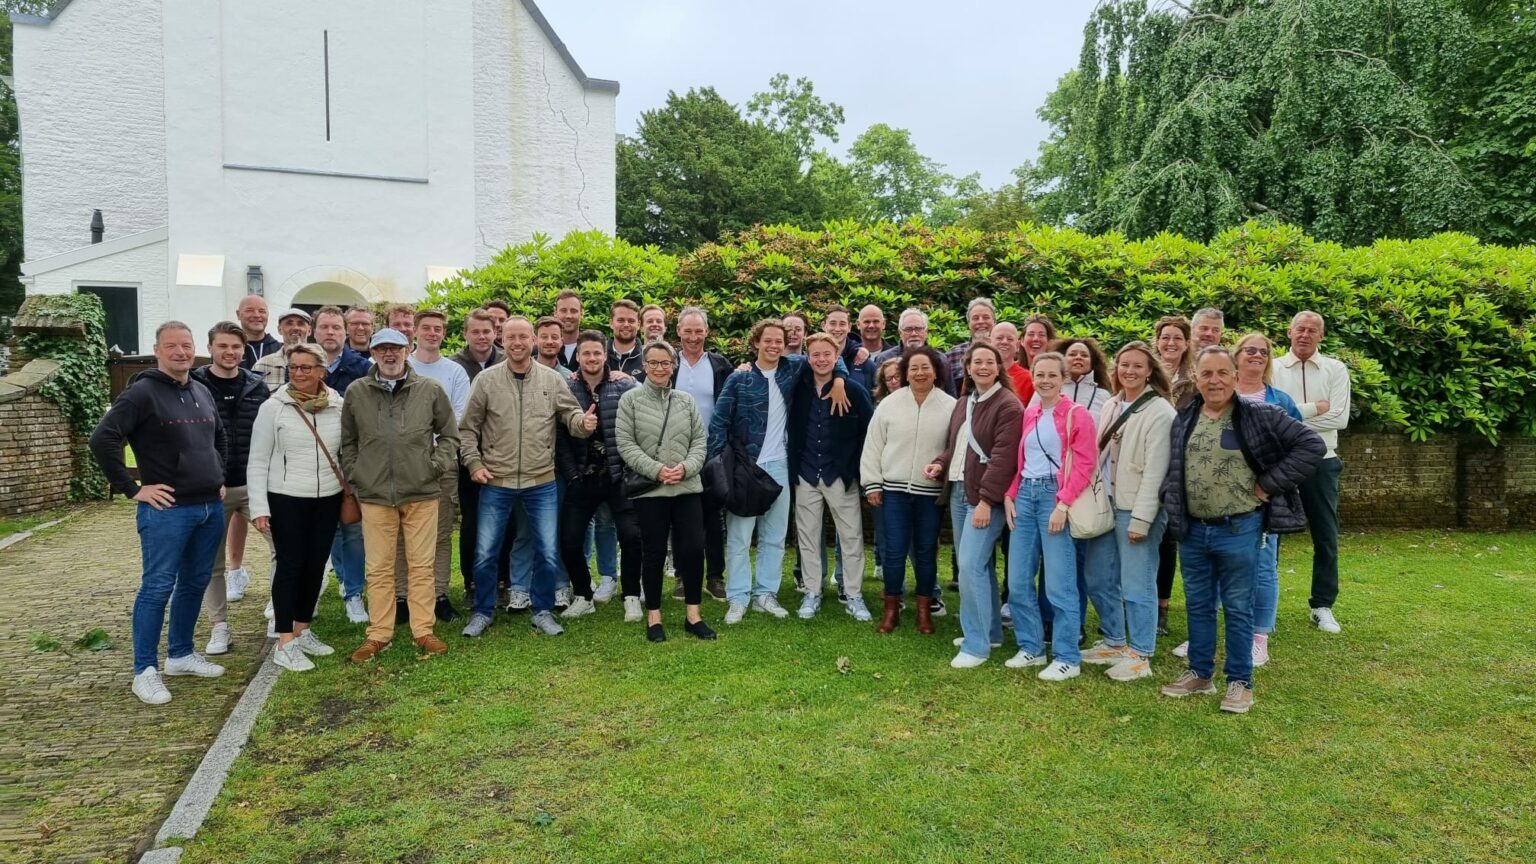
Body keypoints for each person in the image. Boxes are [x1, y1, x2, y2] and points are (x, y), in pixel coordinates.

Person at [1160, 347, 1323, 713]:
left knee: (1236, 607)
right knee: (1199, 605)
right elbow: (1174, 465)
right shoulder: (1185, 416)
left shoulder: (1259, 415)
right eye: (1206, 374)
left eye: (1222, 373)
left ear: (1235, 376)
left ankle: (1239, 682)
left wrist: (1269, 484)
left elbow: (1309, 445)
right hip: (1193, 530)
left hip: (1239, 527)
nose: (1214, 380)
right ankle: (1200, 674)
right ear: (1197, 379)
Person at [90, 321, 229, 705]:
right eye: (173, 346)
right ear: (158, 350)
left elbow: (218, 435)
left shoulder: (201, 389)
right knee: (157, 587)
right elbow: (102, 439)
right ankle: (144, 670)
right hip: (167, 510)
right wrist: (133, 488)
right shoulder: (141, 394)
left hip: (208, 506)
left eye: (186, 345)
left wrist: (219, 474)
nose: (181, 352)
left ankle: (181, 655)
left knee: (194, 583)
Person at [459, 317, 597, 639]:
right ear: (500, 340)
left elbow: (570, 415)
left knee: (548, 550)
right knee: (486, 552)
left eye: (523, 336)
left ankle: (543, 611)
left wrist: (583, 424)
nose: (517, 342)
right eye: (510, 337)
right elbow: (468, 429)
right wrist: (474, 463)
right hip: (496, 481)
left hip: (541, 481)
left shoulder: (550, 379)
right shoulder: (486, 381)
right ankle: (482, 612)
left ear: (533, 340)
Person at [710, 318, 848, 624]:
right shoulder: (739, 378)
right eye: (768, 340)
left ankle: (765, 594)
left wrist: (839, 380)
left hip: (781, 465)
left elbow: (828, 359)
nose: (774, 346)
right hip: (746, 466)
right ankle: (737, 596)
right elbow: (718, 423)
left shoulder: (794, 368)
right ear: (756, 342)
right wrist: (719, 464)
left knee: (774, 536)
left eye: (779, 341)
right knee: (740, 536)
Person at [340, 328, 459, 662]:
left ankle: (423, 630)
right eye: (382, 350)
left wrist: (434, 466)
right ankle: (379, 634)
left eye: (395, 349)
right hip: (375, 494)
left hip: (421, 491)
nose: (389, 355)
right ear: (373, 354)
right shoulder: (357, 392)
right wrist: (355, 472)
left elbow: (449, 435)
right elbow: (348, 441)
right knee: (379, 567)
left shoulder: (430, 389)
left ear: (407, 350)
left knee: (421, 565)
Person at [1079, 341, 1176, 681]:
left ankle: (1141, 654)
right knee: (1098, 577)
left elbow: (1156, 471)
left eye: (1137, 366)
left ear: (1150, 370)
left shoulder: (1160, 412)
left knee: (1137, 585)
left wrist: (1142, 519)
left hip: (1136, 509)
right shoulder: (1113, 403)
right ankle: (1115, 641)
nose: (1130, 371)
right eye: (1124, 365)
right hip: (1107, 503)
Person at [246, 344, 345, 672]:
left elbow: (344, 451)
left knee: (316, 564)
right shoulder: (273, 408)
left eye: (307, 367)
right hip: (286, 497)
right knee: (289, 565)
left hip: (328, 497)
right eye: (294, 367)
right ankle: (284, 640)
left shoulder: (337, 405)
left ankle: (302, 629)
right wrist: (259, 507)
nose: (299, 373)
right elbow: (257, 460)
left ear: (321, 370)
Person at [1001, 351, 1097, 681]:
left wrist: (1063, 504)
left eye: (1052, 375)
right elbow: (1022, 459)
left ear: (1063, 378)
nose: (1044, 380)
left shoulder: (1077, 414)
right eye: (1039, 374)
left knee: (1059, 584)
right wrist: (1011, 494)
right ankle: (1031, 647)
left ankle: (1067, 656)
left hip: (1054, 500)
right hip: (1025, 496)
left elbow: (1085, 464)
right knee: (1017, 581)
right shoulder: (1030, 413)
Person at [617, 340, 717, 642]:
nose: (660, 369)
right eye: (654, 363)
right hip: (652, 491)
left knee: (691, 550)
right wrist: (657, 470)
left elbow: (701, 441)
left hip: (687, 487)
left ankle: (693, 615)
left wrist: (685, 468)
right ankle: (654, 616)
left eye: (665, 363)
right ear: (645, 366)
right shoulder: (631, 400)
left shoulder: (685, 401)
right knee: (654, 552)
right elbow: (626, 444)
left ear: (673, 366)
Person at [190, 322, 277, 656]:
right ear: (210, 348)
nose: (230, 353)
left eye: (236, 347)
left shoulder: (257, 385)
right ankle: (219, 627)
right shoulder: (194, 385)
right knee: (212, 562)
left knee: (283, 548)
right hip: (214, 488)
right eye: (223, 346)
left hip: (256, 484)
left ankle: (278, 610)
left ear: (244, 351)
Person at [933, 343, 1022, 667]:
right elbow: (955, 446)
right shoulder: (964, 402)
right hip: (958, 490)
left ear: (999, 367)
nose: (983, 367)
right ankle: (992, 633)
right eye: (976, 362)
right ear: (967, 368)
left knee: (969, 567)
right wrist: (940, 464)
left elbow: (1003, 459)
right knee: (979, 567)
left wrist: (986, 501)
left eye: (989, 362)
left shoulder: (1008, 405)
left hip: (983, 498)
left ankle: (976, 646)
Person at [859, 345, 956, 634]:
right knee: (894, 551)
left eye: (925, 367)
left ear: (936, 371)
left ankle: (924, 612)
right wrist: (872, 484)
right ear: (905, 373)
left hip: (929, 494)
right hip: (894, 492)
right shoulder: (889, 405)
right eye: (913, 368)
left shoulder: (949, 406)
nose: (919, 372)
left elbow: (954, 448)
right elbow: (873, 446)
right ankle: (891, 611)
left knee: (926, 552)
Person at [1271, 311, 1351, 634]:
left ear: (1321, 335)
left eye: (1312, 330)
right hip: (1280, 459)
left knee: (1326, 534)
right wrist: (1311, 409)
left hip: (1322, 458)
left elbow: (1339, 418)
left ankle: (1322, 606)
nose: (1305, 334)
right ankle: (1266, 604)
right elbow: (1266, 415)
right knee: (1269, 533)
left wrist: (1287, 419)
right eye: (1300, 329)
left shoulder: (1336, 369)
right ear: (1289, 332)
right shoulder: (1272, 367)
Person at [555, 330, 642, 619]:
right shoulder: (564, 387)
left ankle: (631, 595)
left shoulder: (625, 384)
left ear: (605, 355)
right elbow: (560, 436)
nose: (592, 358)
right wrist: (571, 475)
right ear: (577, 356)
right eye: (586, 353)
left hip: (618, 477)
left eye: (597, 353)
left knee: (631, 538)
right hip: (582, 477)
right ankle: (583, 595)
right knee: (569, 540)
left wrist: (629, 468)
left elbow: (638, 428)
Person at [789, 333, 876, 621]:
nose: (821, 359)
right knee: (808, 537)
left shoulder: (852, 389)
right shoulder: (797, 388)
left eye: (827, 354)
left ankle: (853, 594)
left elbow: (869, 432)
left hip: (841, 475)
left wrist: (858, 470)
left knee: (851, 537)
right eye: (815, 354)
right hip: (805, 474)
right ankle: (812, 591)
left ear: (836, 355)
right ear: (808, 356)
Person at [1229, 332, 1303, 666]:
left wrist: (1270, 484)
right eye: (1250, 350)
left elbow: (1299, 451)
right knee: (1221, 565)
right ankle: (1208, 632)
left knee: (1262, 567)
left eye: (1263, 351)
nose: (1257, 355)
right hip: (1221, 498)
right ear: (1237, 356)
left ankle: (1259, 637)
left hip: (1262, 499)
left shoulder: (1280, 401)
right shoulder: (1219, 395)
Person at [402, 308, 472, 623]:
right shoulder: (401, 367)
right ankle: (403, 596)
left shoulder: (454, 372)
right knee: (402, 533)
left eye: (438, 329)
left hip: (442, 461)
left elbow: (458, 416)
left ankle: (438, 594)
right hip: (402, 465)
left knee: (440, 532)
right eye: (426, 328)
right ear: (415, 332)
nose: (432, 333)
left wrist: (434, 446)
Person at [671, 306, 734, 601]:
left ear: (707, 332)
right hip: (676, 453)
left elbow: (733, 400)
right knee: (682, 517)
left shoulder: (720, 364)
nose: (693, 337)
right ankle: (683, 577)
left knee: (713, 518)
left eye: (699, 331)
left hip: (712, 453)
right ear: (678, 332)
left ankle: (715, 577)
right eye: (688, 330)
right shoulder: (668, 363)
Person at [451, 309, 508, 600]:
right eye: (476, 331)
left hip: (503, 455)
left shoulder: (508, 360)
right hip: (468, 457)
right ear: (466, 334)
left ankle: (502, 580)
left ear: (495, 332)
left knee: (504, 521)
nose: (482, 337)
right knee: (473, 522)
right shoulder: (456, 367)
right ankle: (472, 581)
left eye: (487, 331)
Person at [1152, 314, 1195, 635]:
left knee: (1166, 540)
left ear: (1186, 343)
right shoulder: (1142, 372)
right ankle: (1136, 602)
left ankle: (1161, 608)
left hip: (1176, 467)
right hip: (1141, 465)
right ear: (1157, 341)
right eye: (1165, 337)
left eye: (1176, 338)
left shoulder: (1194, 382)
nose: (1170, 343)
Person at [871, 309, 952, 394]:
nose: (914, 333)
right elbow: (878, 395)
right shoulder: (885, 358)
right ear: (900, 333)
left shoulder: (940, 359)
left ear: (926, 332)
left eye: (918, 329)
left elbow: (951, 394)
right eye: (908, 329)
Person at [943, 297, 997, 396]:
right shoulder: (952, 355)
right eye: (975, 318)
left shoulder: (1006, 353)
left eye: (986, 317)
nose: (981, 321)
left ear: (994, 322)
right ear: (969, 324)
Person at [314, 306, 371, 396]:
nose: (330, 332)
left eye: (336, 327)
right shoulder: (300, 366)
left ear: (346, 332)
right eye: (324, 327)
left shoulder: (365, 368)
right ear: (314, 332)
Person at [252, 309, 313, 393]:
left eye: (300, 323)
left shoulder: (318, 364)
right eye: (289, 323)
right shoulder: (262, 365)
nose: (295, 328)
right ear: (279, 329)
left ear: (309, 330)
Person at [990, 322, 1034, 403]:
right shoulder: (980, 374)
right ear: (990, 342)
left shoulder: (1028, 379)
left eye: (1010, 339)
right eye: (999, 338)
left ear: (1017, 345)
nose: (1004, 342)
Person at [854, 304, 890, 392]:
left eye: (876, 321)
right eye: (866, 322)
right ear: (858, 324)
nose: (871, 326)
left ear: (883, 324)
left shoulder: (895, 356)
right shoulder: (850, 355)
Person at [237, 295, 279, 369]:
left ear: (268, 314)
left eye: (262, 311)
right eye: (249, 310)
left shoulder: (279, 350)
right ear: (238, 314)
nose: (256, 315)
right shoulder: (229, 350)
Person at [608, 299, 645, 376]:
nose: (626, 325)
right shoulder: (598, 355)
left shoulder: (648, 358)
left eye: (631, 321)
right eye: (620, 320)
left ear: (638, 325)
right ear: (611, 323)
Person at [554, 290, 583, 368]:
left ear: (581, 314)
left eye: (573, 311)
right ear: (555, 313)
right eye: (563, 311)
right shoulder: (544, 348)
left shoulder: (592, 347)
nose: (568, 316)